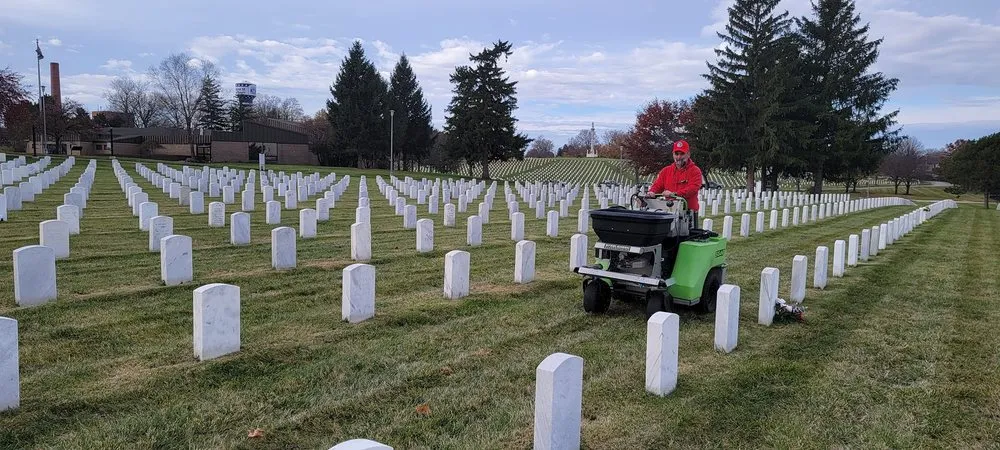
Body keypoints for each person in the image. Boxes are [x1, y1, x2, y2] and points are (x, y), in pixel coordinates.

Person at [648, 139, 704, 226]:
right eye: (676, 154)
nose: (678, 157)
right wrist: (652, 192)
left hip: (687, 214)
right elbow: (658, 185)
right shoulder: (666, 171)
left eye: (682, 154)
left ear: (688, 154)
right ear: (673, 154)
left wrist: (674, 194)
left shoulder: (695, 171)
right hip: (668, 212)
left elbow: (693, 188)